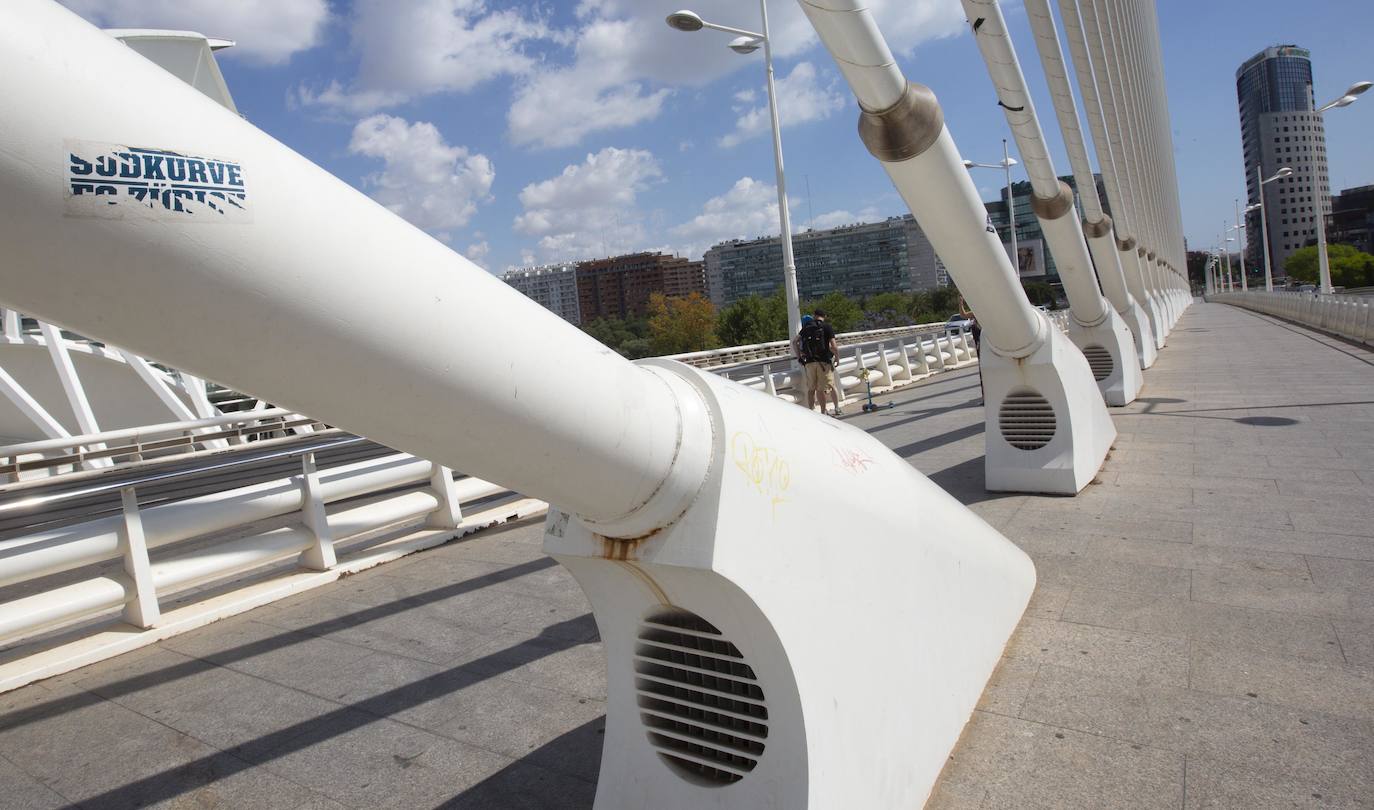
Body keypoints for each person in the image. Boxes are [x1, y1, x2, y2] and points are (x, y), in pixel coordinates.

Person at [795, 310, 841, 416]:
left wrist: (799, 358)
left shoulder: (806, 328)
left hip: (809, 362)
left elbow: (795, 342)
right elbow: (834, 346)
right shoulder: (827, 327)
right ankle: (824, 412)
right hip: (824, 363)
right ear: (824, 316)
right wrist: (837, 358)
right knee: (823, 388)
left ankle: (812, 412)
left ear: (814, 316)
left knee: (811, 389)